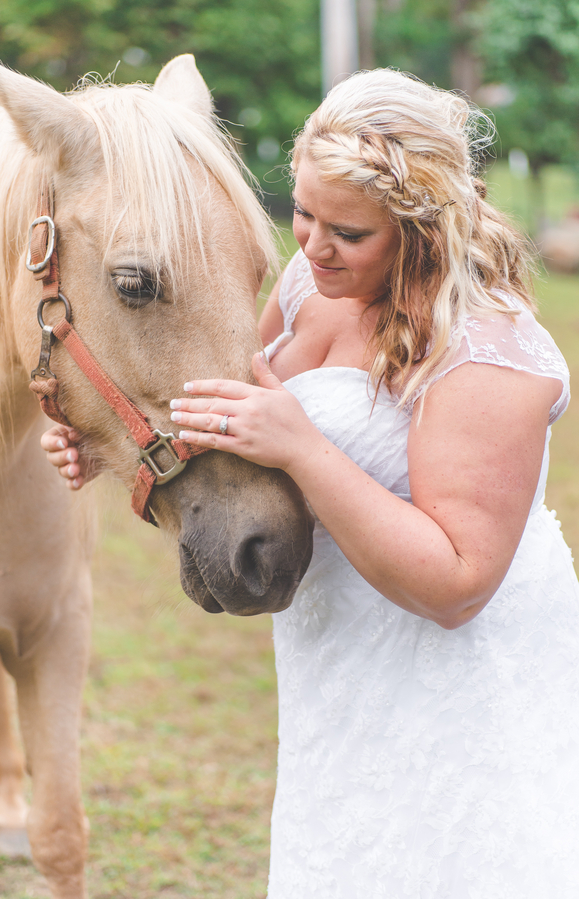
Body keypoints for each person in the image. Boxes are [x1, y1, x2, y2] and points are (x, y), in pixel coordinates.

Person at [42, 69, 579, 897]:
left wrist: (304, 450)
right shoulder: (308, 285)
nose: (314, 247)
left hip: (452, 679)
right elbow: (227, 419)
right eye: (302, 214)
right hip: (339, 656)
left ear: (422, 225)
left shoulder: (486, 347)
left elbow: (459, 584)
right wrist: (115, 450)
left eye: (349, 232)